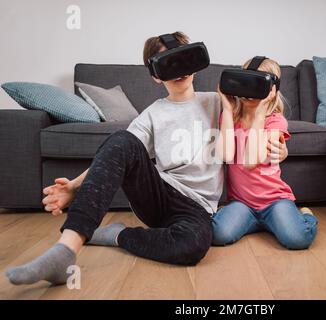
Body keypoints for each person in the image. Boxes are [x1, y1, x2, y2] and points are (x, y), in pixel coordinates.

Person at [5, 31, 224, 286]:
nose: (178, 70)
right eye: (167, 63)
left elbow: (257, 116)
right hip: (160, 195)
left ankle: (118, 234)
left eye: (183, 59)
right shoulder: (154, 114)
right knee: (123, 138)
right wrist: (75, 186)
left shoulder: (218, 102)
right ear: (155, 75)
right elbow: (117, 152)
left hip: (197, 208)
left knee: (191, 246)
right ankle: (66, 250)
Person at [213, 57, 318, 249]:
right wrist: (227, 110)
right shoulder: (231, 117)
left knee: (297, 239)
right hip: (242, 203)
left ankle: (305, 216)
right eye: (246, 83)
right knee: (218, 234)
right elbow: (227, 156)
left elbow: (251, 161)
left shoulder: (275, 122)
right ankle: (260, 223)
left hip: (274, 201)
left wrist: (260, 114)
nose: (250, 93)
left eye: (258, 86)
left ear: (272, 91)